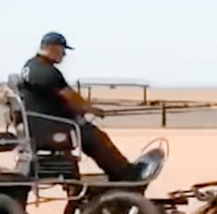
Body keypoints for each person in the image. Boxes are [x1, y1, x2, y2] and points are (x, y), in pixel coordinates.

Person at [19, 31, 142, 181]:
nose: (64, 55)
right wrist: (91, 110)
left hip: (41, 122)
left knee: (89, 131)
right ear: (52, 48)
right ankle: (125, 174)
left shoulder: (31, 65)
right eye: (62, 50)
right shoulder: (48, 72)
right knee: (95, 137)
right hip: (52, 125)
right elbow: (71, 97)